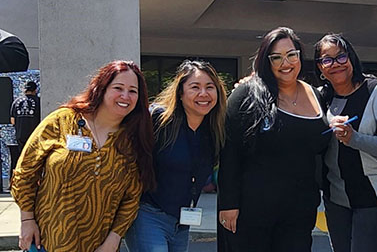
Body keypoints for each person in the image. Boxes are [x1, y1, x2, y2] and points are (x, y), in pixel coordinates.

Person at [11, 60, 155, 252]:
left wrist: (114, 239)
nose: (125, 96)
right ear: (102, 88)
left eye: (133, 91)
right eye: (118, 88)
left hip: (99, 247)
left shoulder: (132, 140)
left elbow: (131, 198)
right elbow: (25, 171)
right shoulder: (62, 121)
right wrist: (27, 219)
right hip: (48, 242)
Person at [218, 27, 329, 252]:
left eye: (291, 54)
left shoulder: (316, 95)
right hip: (253, 210)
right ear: (265, 61)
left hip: (299, 211)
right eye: (276, 57)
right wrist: (228, 204)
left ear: (299, 56)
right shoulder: (247, 94)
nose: (285, 63)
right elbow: (230, 152)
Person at [314, 33, 377, 252]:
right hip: (335, 198)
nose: (335, 64)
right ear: (320, 67)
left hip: (374, 198)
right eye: (326, 60)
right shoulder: (321, 98)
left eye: (341, 57)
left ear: (351, 58)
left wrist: (354, 139)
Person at [125, 60, 227, 252]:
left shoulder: (214, 131)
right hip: (148, 215)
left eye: (210, 87)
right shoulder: (158, 120)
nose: (203, 94)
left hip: (182, 223)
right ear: (180, 93)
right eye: (195, 87)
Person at [10, 81, 40, 156]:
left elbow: (12, 120)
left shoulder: (16, 101)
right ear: (35, 90)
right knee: (34, 157)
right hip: (34, 134)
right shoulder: (39, 101)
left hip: (20, 135)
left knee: (23, 156)